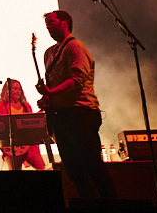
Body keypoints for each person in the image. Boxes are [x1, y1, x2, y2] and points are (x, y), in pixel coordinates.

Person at [37, 10, 116, 198]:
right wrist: (47, 98)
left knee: (92, 164)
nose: (47, 26)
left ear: (64, 23)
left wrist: (50, 93)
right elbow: (56, 85)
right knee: (74, 170)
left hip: (80, 113)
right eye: (46, 23)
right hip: (62, 116)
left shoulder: (75, 47)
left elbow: (77, 79)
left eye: (51, 22)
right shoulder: (49, 52)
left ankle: (112, 203)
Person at [0, 79, 47, 170]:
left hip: (30, 147)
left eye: (19, 89)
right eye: (15, 88)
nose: (18, 91)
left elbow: (32, 123)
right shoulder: (1, 106)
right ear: (8, 90)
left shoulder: (26, 106)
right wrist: (2, 146)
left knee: (43, 168)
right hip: (11, 149)